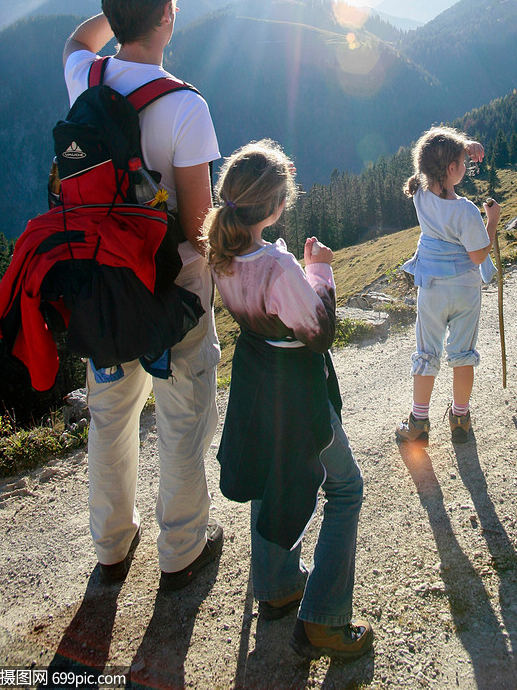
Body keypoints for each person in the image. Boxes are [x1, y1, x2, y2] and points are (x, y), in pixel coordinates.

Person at [63, 0, 223, 592]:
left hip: (100, 283)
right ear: (168, 16)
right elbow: (195, 226)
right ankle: (180, 551)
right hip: (170, 291)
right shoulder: (186, 107)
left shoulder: (85, 78)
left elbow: (77, 39)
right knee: (182, 415)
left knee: (110, 413)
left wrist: (116, 14)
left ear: (115, 13)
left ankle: (110, 545)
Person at [203, 140, 373, 662]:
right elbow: (318, 330)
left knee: (268, 471)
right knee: (345, 489)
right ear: (277, 207)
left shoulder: (224, 252)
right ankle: (323, 619)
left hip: (257, 378)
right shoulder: (278, 267)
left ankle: (276, 586)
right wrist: (318, 270)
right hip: (297, 388)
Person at [396, 126, 501, 445]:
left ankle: (418, 421)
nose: (466, 166)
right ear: (453, 169)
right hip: (465, 290)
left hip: (431, 285)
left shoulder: (419, 193)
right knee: (462, 354)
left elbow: (426, 161)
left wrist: (461, 146)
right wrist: (493, 220)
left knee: (427, 352)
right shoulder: (466, 211)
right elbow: (478, 253)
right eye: (462, 162)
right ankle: (460, 418)